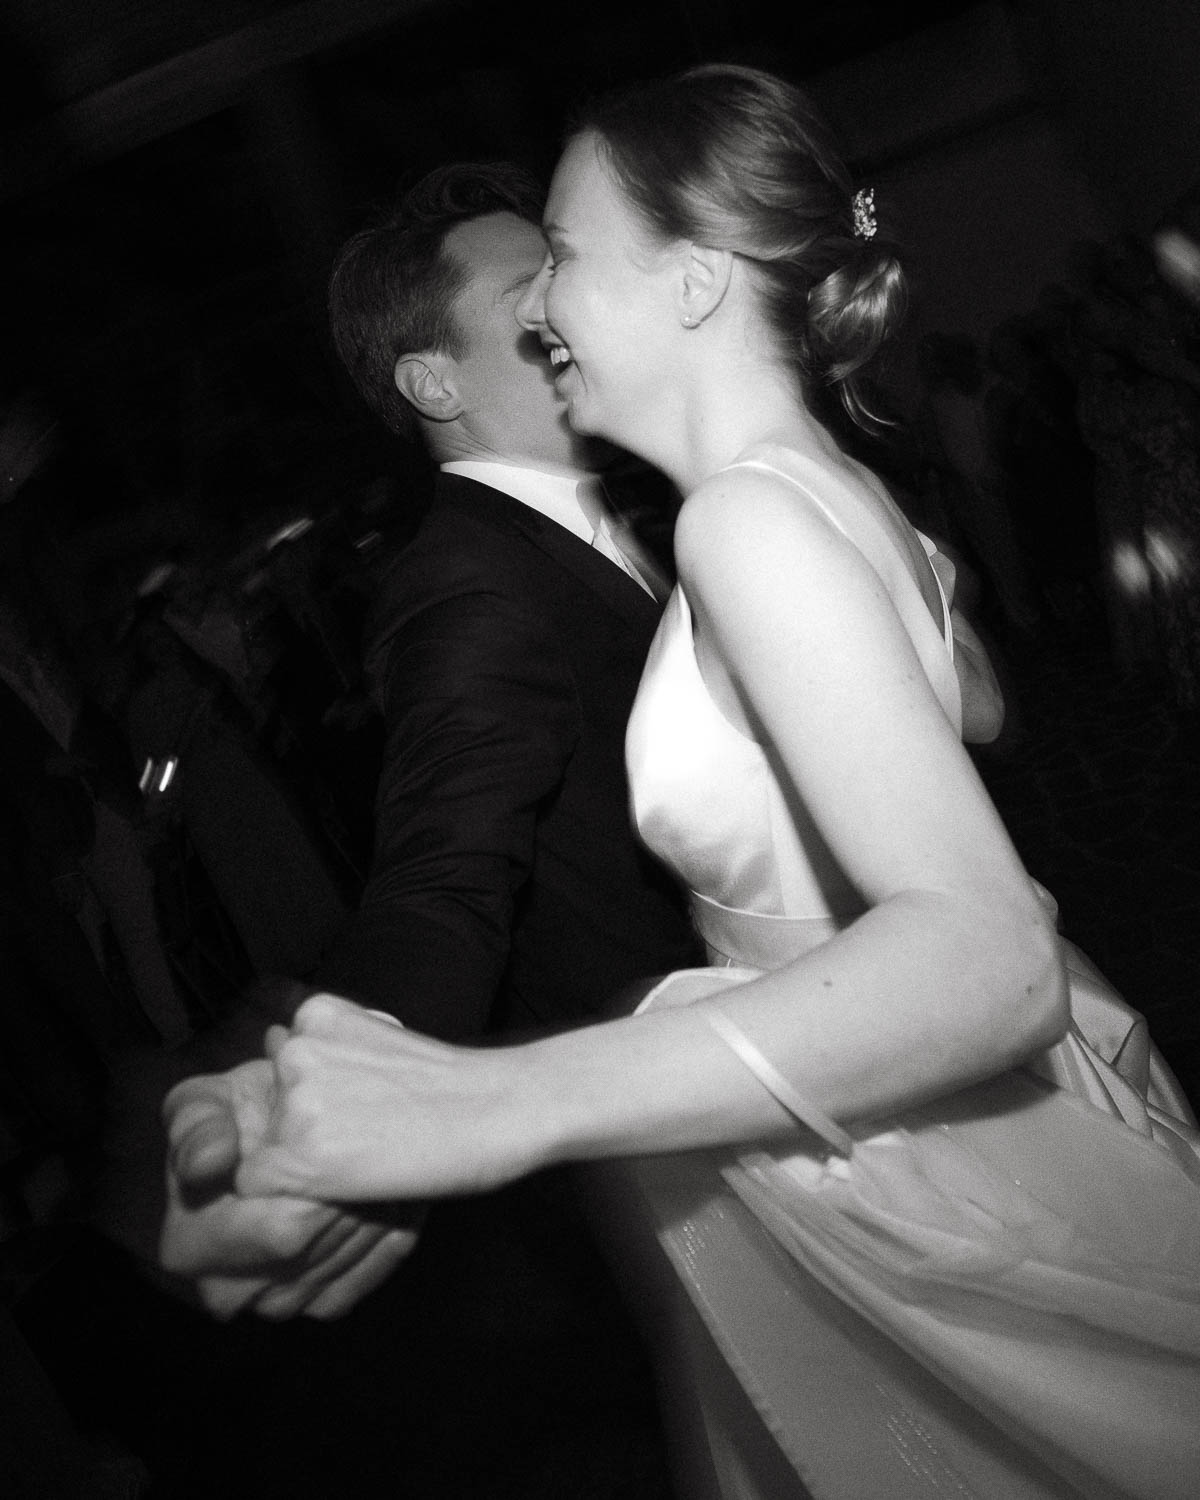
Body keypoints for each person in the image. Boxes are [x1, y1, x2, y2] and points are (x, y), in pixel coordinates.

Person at [209, 65, 1200, 1499]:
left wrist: (501, 1101)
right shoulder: (823, 485)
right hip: (894, 1105)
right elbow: (972, 704)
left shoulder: (742, 516)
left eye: (564, 250)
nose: (545, 305)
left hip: (902, 1153)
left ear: (687, 283)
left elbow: (991, 960)